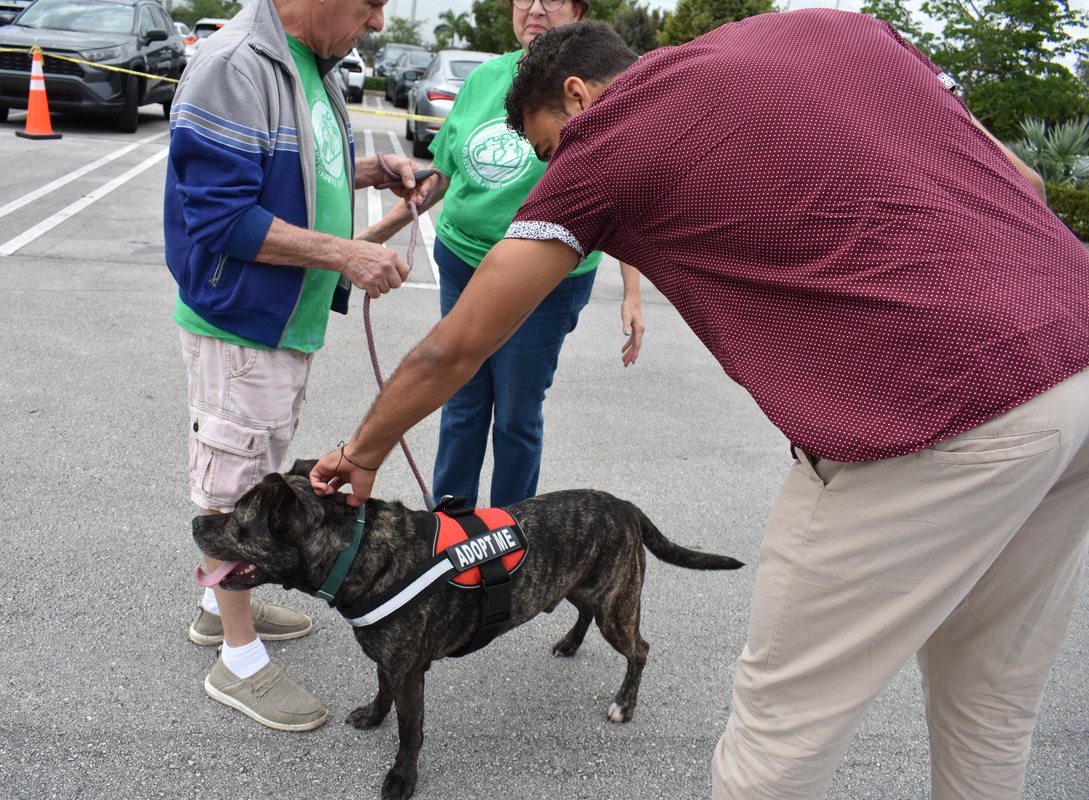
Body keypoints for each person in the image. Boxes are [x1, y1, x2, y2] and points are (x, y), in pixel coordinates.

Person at [309, 12, 1089, 799]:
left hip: (943, 402)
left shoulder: (604, 140)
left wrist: (363, 452)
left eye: (548, 149)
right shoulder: (834, 28)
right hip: (1077, 348)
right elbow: (1025, 183)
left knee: (780, 730)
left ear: (577, 97)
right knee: (989, 705)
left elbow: (457, 345)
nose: (553, 171)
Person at [163, 0, 436, 732]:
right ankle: (238, 662)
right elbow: (220, 217)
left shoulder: (306, 62)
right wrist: (346, 252)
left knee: (255, 467)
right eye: (374, 2)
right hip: (241, 321)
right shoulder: (234, 65)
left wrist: (368, 171)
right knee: (230, 486)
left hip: (280, 321)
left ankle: (216, 611)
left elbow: (294, 166)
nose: (379, 22)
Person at [358, 0, 645, 508]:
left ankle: (508, 538)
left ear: (578, 10)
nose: (533, 8)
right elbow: (442, 176)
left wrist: (631, 293)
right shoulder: (484, 78)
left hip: (545, 282)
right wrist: (372, 237)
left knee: (516, 412)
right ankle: (450, 532)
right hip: (462, 259)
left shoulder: (603, 96)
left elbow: (625, 190)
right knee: (459, 398)